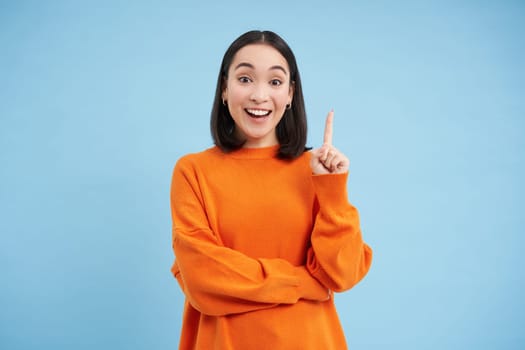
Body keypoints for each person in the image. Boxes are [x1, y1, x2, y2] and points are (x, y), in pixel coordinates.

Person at [170, 30, 373, 350]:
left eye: (275, 82)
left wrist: (332, 191)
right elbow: (202, 278)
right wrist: (304, 282)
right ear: (224, 88)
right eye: (246, 79)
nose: (259, 95)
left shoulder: (315, 171)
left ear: (291, 94)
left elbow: (343, 274)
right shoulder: (193, 171)